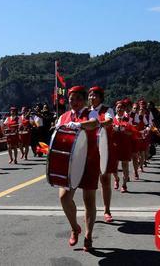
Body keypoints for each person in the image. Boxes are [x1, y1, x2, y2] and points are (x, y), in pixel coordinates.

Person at [56, 86, 101, 252]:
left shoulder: (90, 113)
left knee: (89, 200)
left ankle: (88, 235)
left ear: (83, 100)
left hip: (89, 160)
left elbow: (94, 124)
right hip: (69, 162)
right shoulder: (63, 116)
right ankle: (75, 227)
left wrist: (78, 124)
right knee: (64, 197)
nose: (74, 102)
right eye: (71, 99)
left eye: (77, 99)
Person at [87, 86, 116, 223]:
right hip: (90, 151)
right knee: (89, 183)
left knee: (105, 180)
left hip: (104, 149)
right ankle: (90, 211)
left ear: (100, 97)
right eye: (90, 95)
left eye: (94, 95)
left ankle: (107, 210)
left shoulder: (107, 110)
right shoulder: (86, 112)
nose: (91, 98)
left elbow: (110, 121)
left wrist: (97, 124)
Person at [113, 100, 136, 193]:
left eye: (122, 107)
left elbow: (133, 132)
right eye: (118, 107)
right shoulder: (111, 119)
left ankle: (124, 184)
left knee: (125, 165)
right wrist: (113, 129)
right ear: (115, 109)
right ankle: (116, 178)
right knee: (114, 166)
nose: (120, 109)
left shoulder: (128, 119)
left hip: (125, 145)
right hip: (114, 145)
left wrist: (124, 131)